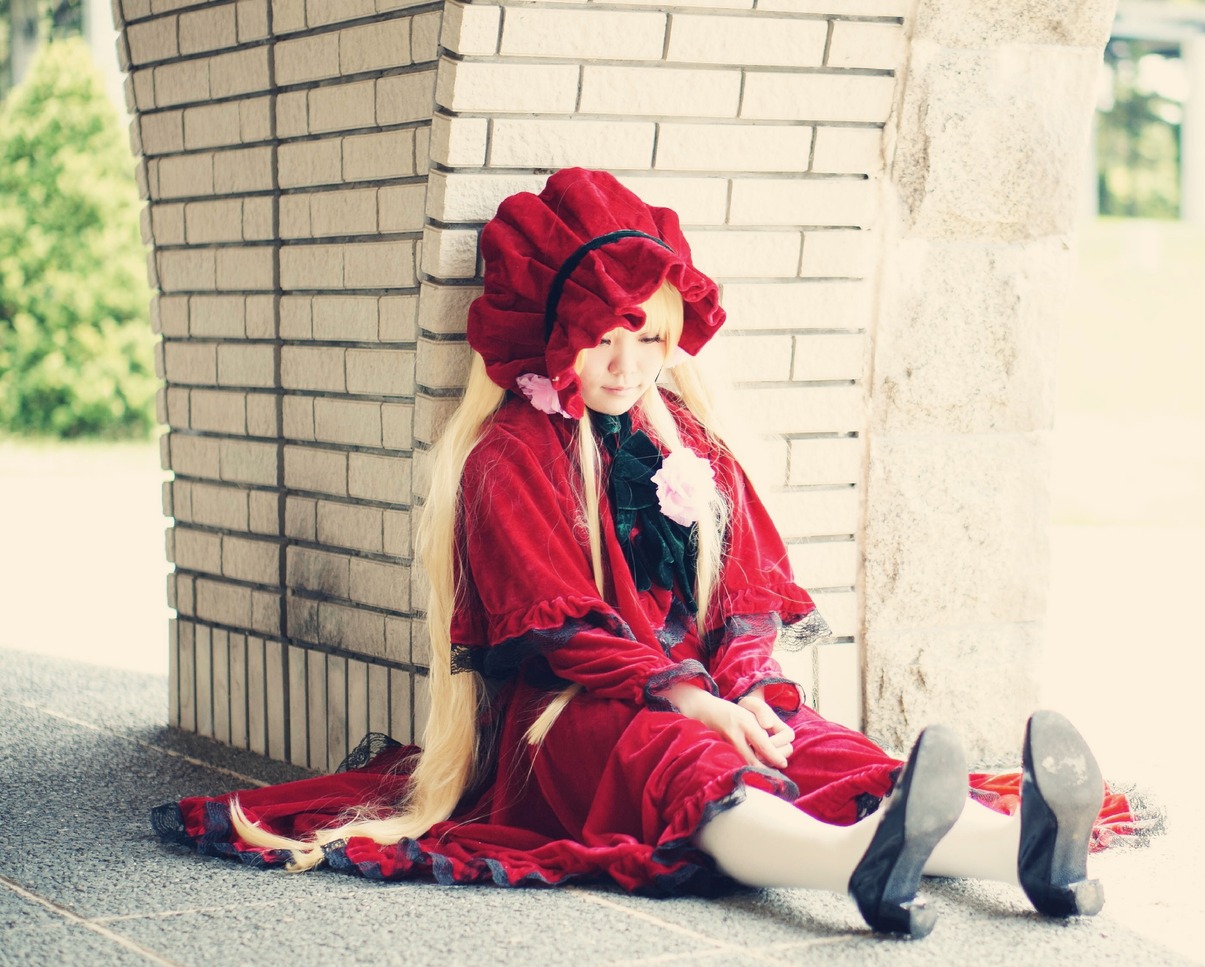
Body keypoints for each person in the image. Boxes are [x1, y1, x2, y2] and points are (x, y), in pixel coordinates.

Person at [152, 167, 1144, 938]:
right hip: (571, 721)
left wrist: (747, 684)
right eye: (603, 339)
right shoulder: (511, 454)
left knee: (824, 750)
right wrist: (694, 698)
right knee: (682, 761)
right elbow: (563, 631)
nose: (629, 366)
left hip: (704, 685)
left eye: (651, 339)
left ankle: (1030, 850)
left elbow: (743, 590)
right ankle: (854, 865)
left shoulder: (690, 445)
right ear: (550, 335)